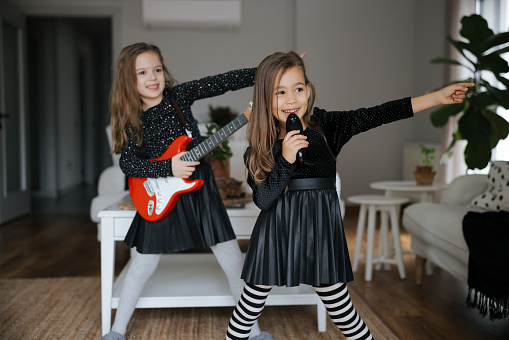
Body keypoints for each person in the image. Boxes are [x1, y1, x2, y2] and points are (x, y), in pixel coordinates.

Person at [224, 51, 474, 340]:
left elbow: (379, 113)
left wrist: (435, 98)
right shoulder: (258, 148)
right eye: (280, 92)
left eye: (298, 89)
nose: (291, 99)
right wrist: (286, 160)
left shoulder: (327, 127)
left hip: (319, 234)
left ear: (309, 90)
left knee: (343, 311)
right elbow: (264, 200)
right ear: (265, 97)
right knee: (247, 309)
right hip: (274, 234)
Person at [103, 42, 272, 340]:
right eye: (142, 72)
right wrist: (169, 168)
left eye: (156, 69)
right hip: (159, 193)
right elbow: (129, 164)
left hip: (200, 188)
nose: (152, 77)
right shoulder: (131, 118)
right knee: (142, 263)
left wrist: (268, 72)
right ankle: (117, 331)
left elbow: (223, 81)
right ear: (128, 80)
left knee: (233, 261)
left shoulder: (179, 96)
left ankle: (254, 332)